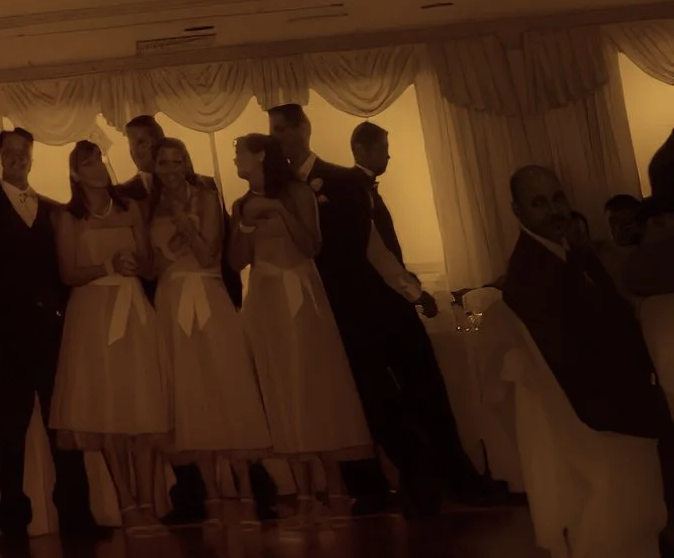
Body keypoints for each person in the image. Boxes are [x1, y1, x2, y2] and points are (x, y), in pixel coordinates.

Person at [315, 121, 505, 515]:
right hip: (382, 309)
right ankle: (442, 479)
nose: (388, 155)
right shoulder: (351, 189)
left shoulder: (357, 188)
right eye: (383, 148)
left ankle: (439, 479)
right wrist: (414, 294)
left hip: (386, 307)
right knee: (422, 392)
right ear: (361, 150)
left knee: (420, 395)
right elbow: (376, 253)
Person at [499, 164, 674, 558]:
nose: (555, 210)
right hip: (589, 399)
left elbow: (616, 319)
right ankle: (669, 536)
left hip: (608, 382)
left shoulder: (567, 254)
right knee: (670, 409)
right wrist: (642, 384)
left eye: (558, 199)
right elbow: (571, 362)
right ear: (517, 211)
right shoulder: (530, 273)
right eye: (539, 203)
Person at [0, 130, 99, 540]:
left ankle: (77, 518)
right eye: (8, 153)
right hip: (1, 343)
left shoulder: (55, 211)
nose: (16, 159)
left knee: (63, 429)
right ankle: (13, 521)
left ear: (32, 158)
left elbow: (65, 274)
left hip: (53, 338)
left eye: (22, 153)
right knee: (9, 437)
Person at [229, 133, 372, 501]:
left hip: (300, 291)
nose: (235, 160)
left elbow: (311, 246)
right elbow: (236, 261)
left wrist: (279, 212)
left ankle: (333, 481)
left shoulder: (297, 192)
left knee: (312, 381)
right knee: (277, 382)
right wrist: (245, 225)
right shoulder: (241, 203)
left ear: (260, 155)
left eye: (239, 153)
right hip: (264, 295)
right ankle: (301, 488)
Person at [138, 140, 274, 526]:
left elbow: (211, 254)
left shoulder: (206, 196)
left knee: (225, 384)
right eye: (162, 162)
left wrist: (185, 225)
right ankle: (212, 494)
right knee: (187, 390)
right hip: (170, 298)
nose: (169, 169)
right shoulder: (149, 206)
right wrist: (162, 252)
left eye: (176, 161)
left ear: (186, 162)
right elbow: (151, 268)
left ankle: (245, 487)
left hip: (208, 294)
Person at [51, 142, 169, 514]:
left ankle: (148, 500)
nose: (98, 168)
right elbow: (67, 273)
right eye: (87, 163)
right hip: (93, 315)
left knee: (144, 405)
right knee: (108, 411)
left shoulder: (130, 207)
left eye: (99, 160)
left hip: (133, 309)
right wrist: (108, 266)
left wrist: (140, 266)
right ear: (75, 174)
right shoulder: (69, 216)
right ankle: (126, 502)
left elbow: (150, 264)